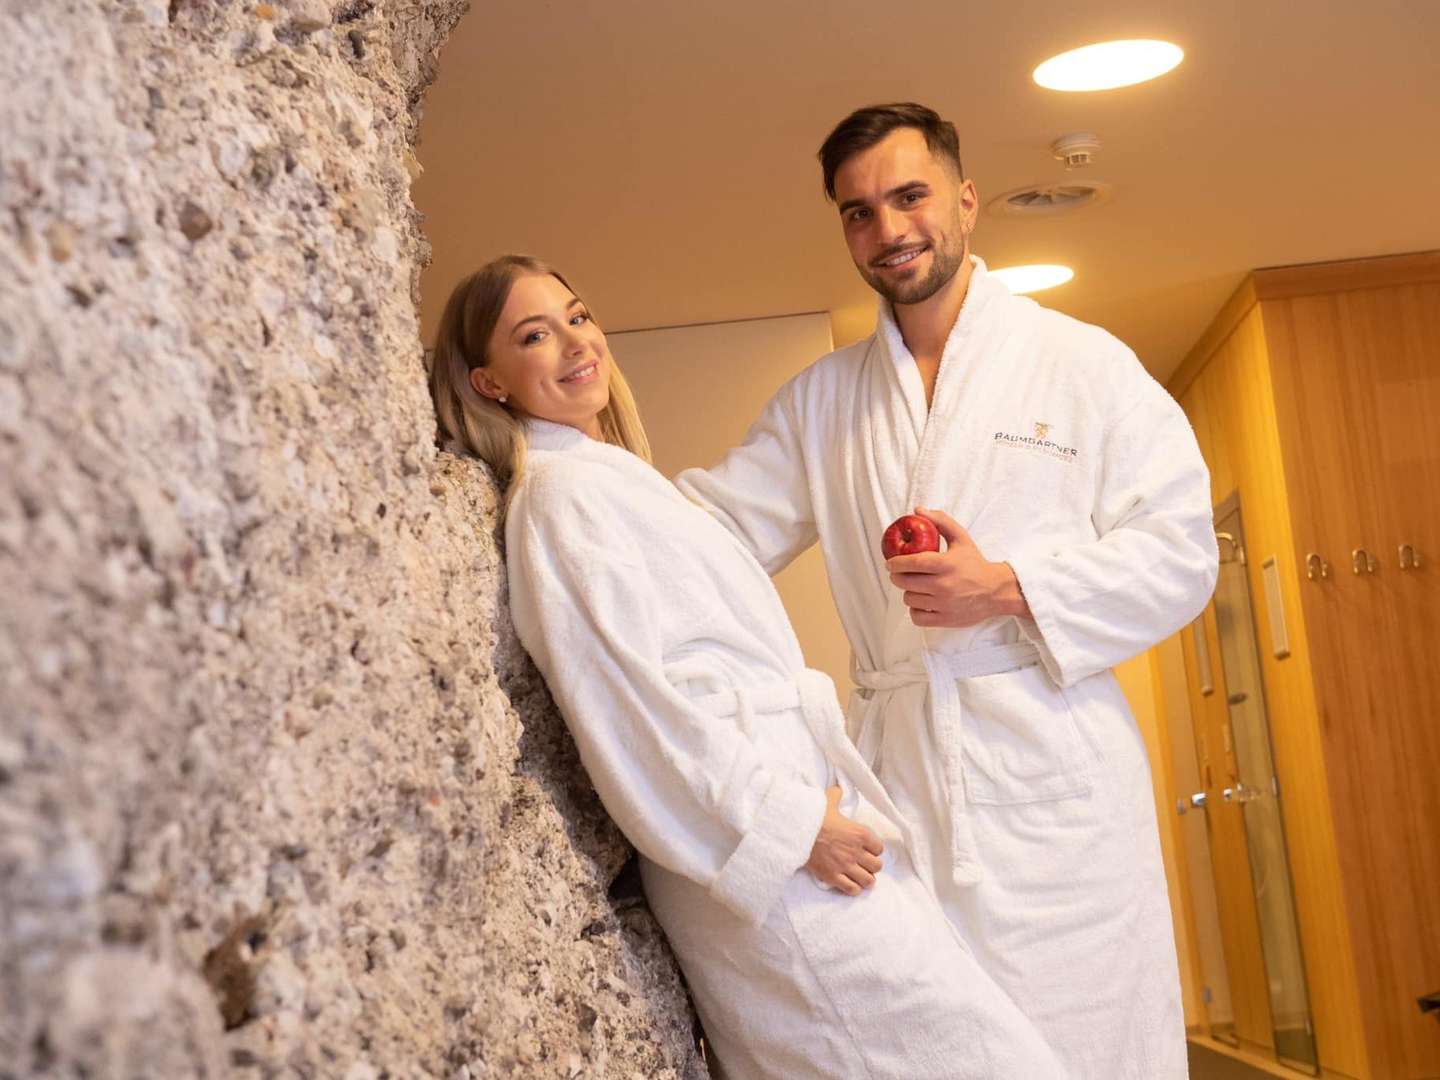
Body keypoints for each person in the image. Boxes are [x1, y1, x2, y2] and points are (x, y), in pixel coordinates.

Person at [675, 103, 1218, 1080]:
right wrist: (567, 484)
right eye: (858, 211)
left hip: (1057, 785)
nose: (888, 229)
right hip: (905, 777)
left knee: (1089, 1042)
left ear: (966, 200)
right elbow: (704, 540)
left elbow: (1181, 551)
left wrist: (1007, 587)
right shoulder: (823, 402)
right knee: (933, 1049)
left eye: (910, 196)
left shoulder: (1082, 364)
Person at [428, 254, 1067, 1079]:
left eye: (577, 317)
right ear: (489, 383)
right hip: (761, 850)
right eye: (534, 336)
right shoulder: (560, 499)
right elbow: (631, 709)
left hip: (780, 830)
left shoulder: (610, 481)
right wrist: (790, 825)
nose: (575, 343)